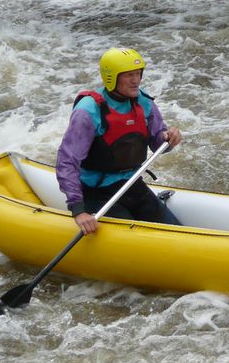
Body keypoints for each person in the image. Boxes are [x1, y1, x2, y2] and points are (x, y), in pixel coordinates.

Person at [56, 47, 182, 235]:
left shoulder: (144, 102)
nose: (136, 81)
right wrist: (78, 210)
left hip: (131, 185)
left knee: (176, 231)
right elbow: (67, 161)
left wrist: (167, 139)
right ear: (112, 77)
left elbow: (157, 143)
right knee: (134, 239)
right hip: (96, 193)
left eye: (138, 74)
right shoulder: (89, 111)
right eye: (129, 75)